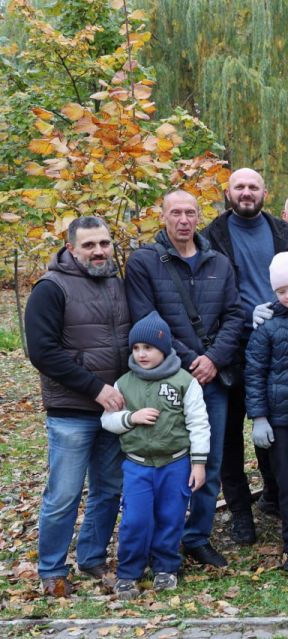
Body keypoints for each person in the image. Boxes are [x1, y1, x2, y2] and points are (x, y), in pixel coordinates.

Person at [125, 189, 244, 568]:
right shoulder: (145, 262)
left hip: (212, 380)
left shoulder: (219, 263)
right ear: (162, 216)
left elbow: (235, 316)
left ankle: (197, 536)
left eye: (190, 213)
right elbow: (147, 321)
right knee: (162, 460)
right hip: (164, 380)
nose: (183, 220)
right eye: (175, 212)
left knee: (207, 459)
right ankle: (163, 539)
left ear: (198, 216)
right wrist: (194, 361)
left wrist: (213, 359)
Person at [202, 167, 288, 546]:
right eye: (239, 187)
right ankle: (241, 514)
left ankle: (279, 498)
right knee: (229, 437)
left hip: (281, 344)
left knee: (278, 428)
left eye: (253, 187)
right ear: (228, 193)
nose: (246, 193)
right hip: (231, 347)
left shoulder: (285, 233)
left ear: (266, 192)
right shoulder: (210, 236)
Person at [25, 216, 129, 597]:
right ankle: (52, 569)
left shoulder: (117, 285)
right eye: (88, 245)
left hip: (113, 410)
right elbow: (43, 351)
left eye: (103, 243)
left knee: (109, 489)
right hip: (72, 410)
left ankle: (93, 557)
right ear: (71, 248)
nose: (98, 251)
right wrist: (95, 388)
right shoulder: (51, 288)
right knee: (64, 494)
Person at [101, 312, 210, 599]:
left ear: (163, 348)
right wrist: (131, 417)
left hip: (175, 463)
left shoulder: (185, 381)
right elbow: (107, 420)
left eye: (148, 348)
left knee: (170, 517)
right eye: (136, 349)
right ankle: (129, 572)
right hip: (137, 466)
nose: (141, 354)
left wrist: (198, 463)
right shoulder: (124, 383)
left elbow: (199, 424)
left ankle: (165, 567)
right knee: (136, 519)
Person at [244, 253, 288, 572]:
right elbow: (255, 372)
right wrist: (259, 416)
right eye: (282, 290)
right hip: (282, 417)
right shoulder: (266, 325)